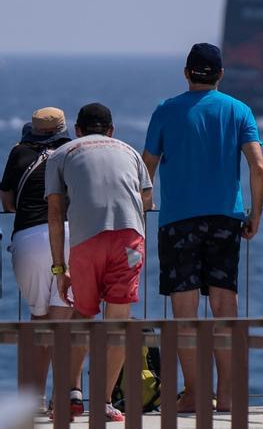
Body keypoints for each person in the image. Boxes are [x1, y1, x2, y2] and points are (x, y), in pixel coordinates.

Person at [142, 43, 263, 412]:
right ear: (220, 75)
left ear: (186, 72)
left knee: (184, 312)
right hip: (225, 219)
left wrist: (145, 204)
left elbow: (146, 167)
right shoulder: (239, 110)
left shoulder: (165, 111)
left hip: (178, 220)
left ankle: (196, 393)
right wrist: (255, 213)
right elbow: (259, 168)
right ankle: (228, 395)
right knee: (224, 307)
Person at [46, 103, 154, 423]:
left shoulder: (62, 153)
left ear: (78, 130)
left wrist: (58, 267)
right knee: (119, 320)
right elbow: (146, 199)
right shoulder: (130, 151)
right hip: (130, 242)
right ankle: (104, 403)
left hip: (87, 242)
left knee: (82, 315)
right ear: (112, 130)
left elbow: (54, 212)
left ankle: (70, 397)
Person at [2, 109, 84, 416]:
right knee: (64, 323)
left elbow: (8, 202)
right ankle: (68, 396)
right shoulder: (72, 152)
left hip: (28, 241)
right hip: (66, 236)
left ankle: (33, 401)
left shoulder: (18, 152)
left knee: (39, 321)